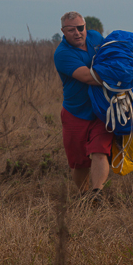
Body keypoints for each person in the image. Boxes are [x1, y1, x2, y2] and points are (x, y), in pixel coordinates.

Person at [53, 11, 113, 197]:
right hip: (76, 113)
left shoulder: (95, 37)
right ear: (63, 31)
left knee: (100, 152)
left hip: (101, 111)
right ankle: (84, 196)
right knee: (79, 163)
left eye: (81, 28)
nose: (78, 33)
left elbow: (114, 51)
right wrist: (120, 76)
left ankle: (97, 193)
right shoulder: (62, 54)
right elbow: (89, 77)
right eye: (72, 30)